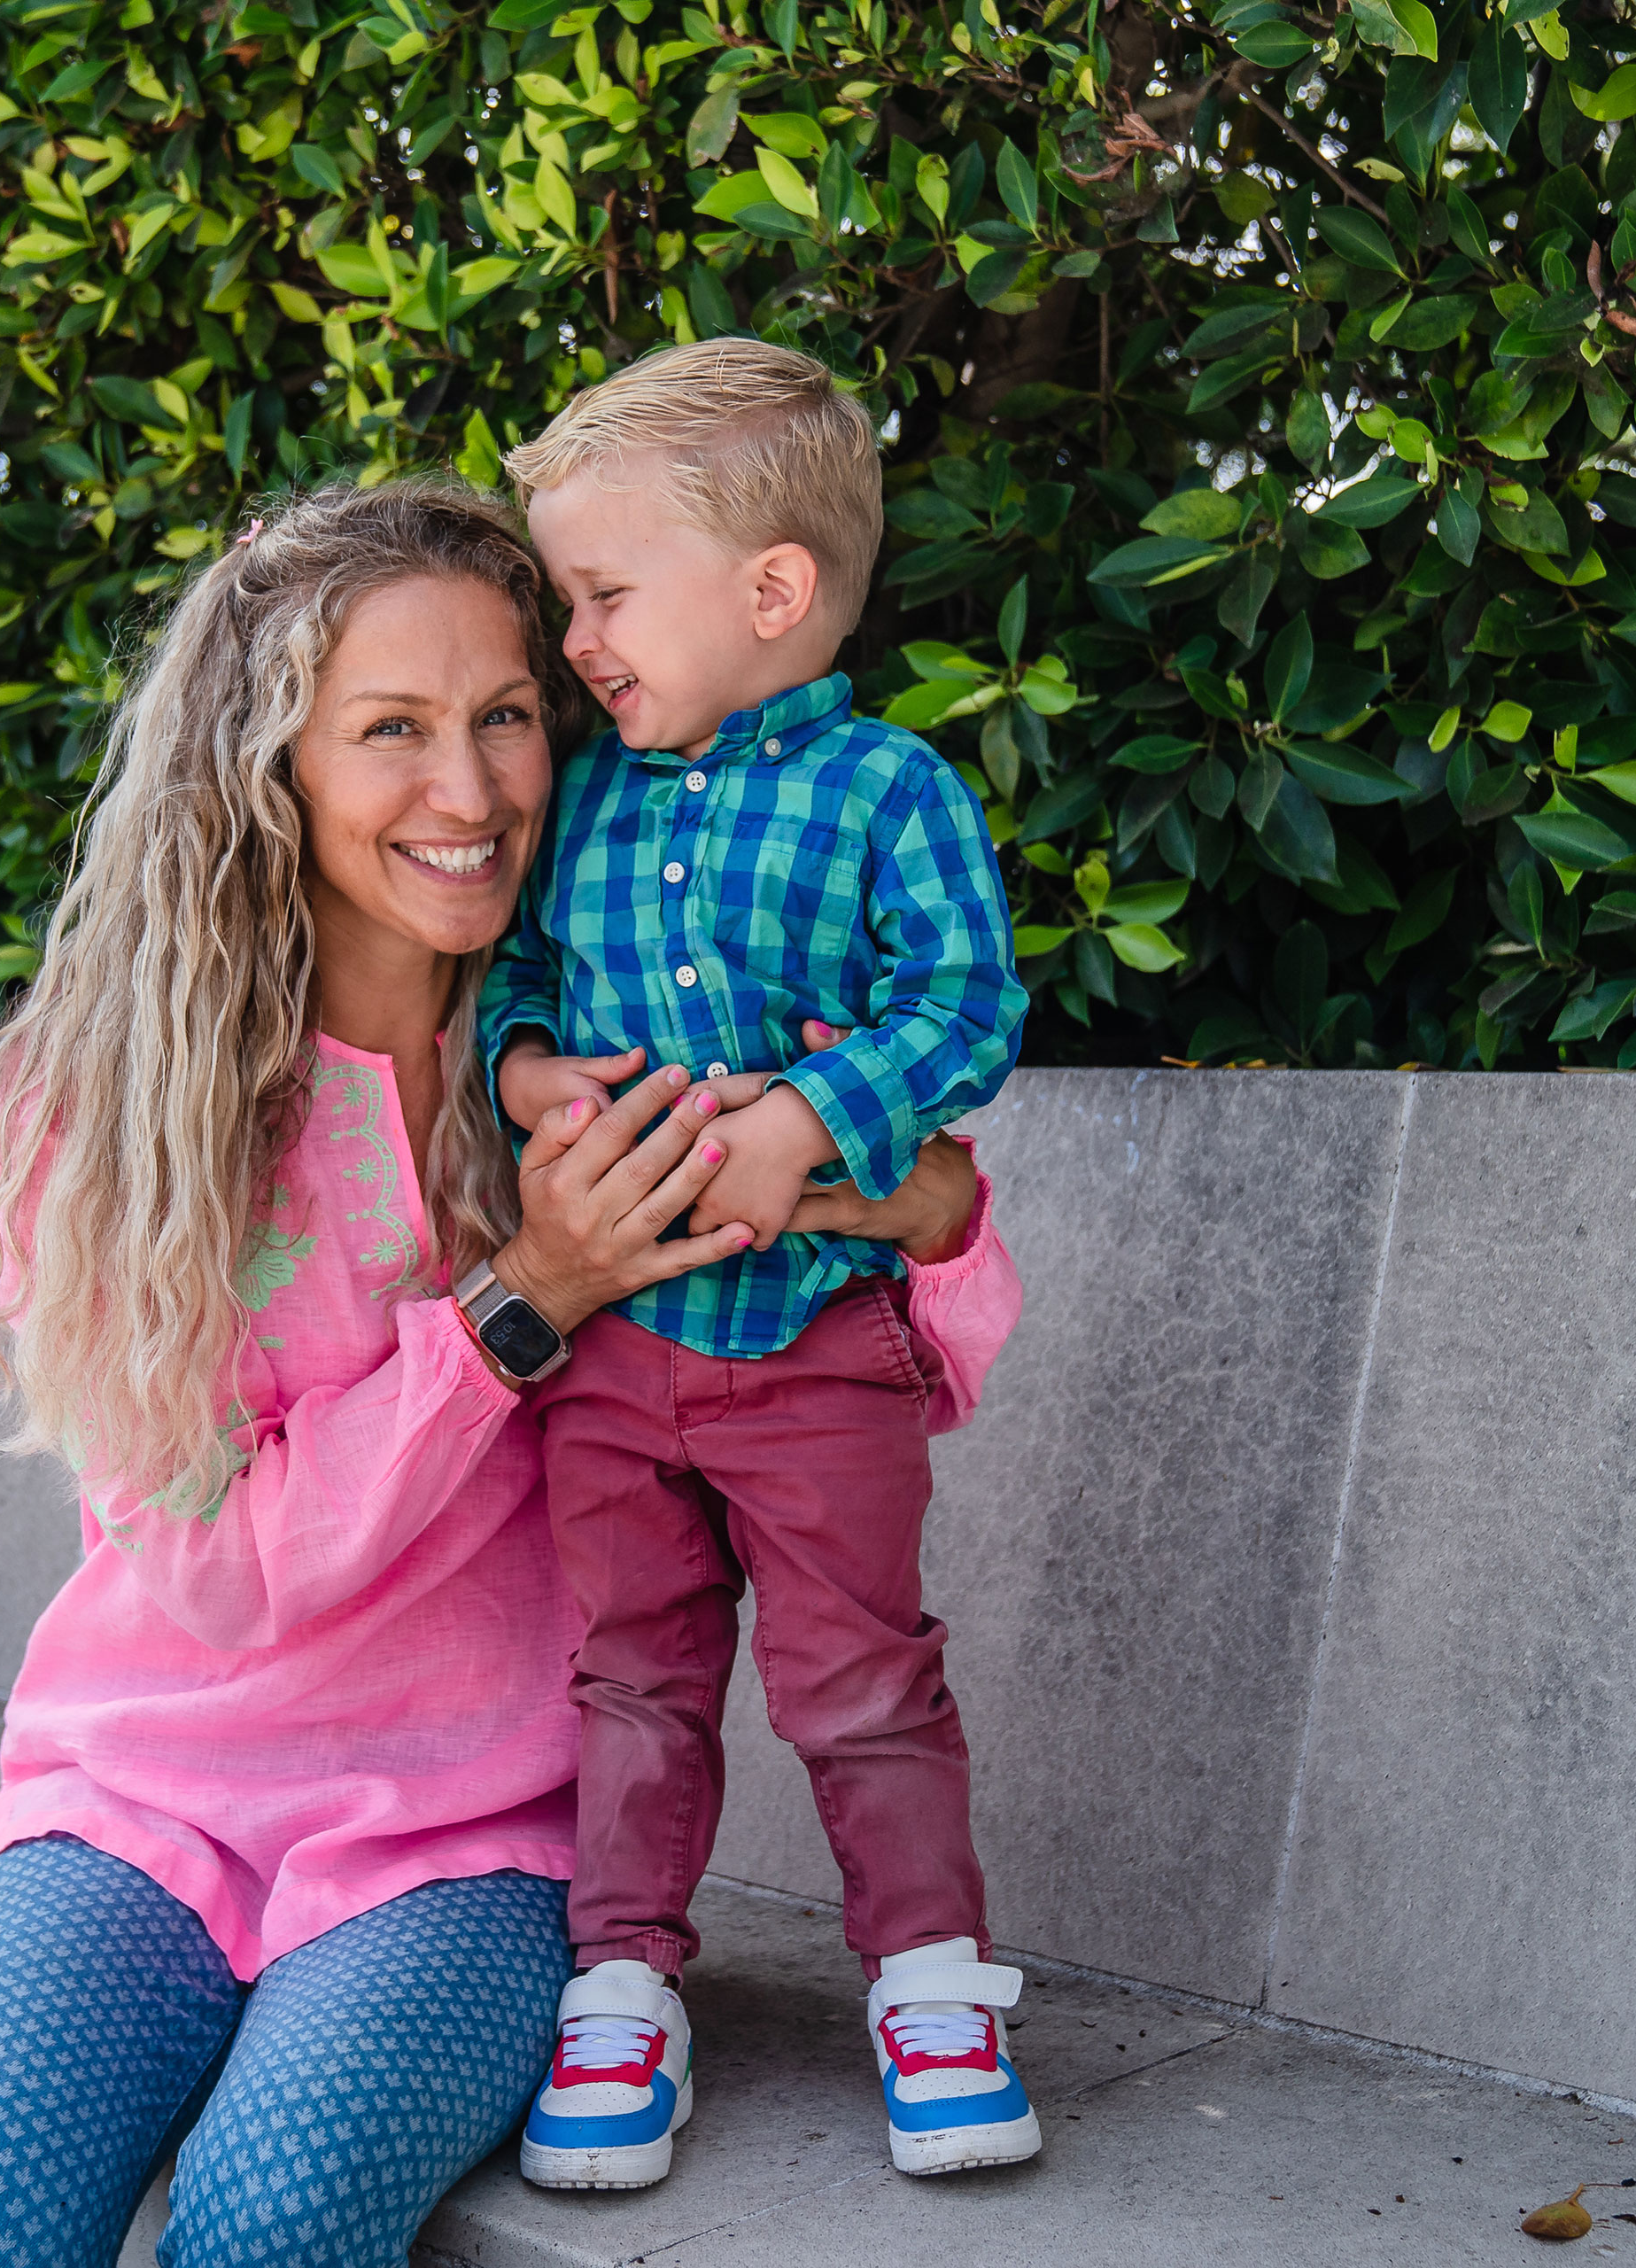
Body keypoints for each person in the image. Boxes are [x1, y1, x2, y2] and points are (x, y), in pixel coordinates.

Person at [0, 477, 1025, 2268]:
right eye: (390, 730)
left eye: (503, 719)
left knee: (270, 2225)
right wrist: (526, 1297)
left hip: (478, 1833)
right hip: (137, 1796)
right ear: (270, 765)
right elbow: (217, 1570)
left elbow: (922, 1339)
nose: (470, 793)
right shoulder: (99, 1109)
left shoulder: (605, 1038)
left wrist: (916, 1188)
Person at [478, 338, 1036, 2188]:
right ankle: (622, 1982)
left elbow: (967, 998)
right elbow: (530, 981)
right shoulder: (597, 802)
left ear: (771, 590)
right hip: (621, 1356)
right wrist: (528, 1067)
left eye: (604, 594)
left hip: (816, 1345)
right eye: (572, 600)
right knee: (630, 1671)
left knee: (861, 1672)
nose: (577, 640)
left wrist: (814, 1118)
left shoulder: (888, 793)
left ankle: (934, 1980)